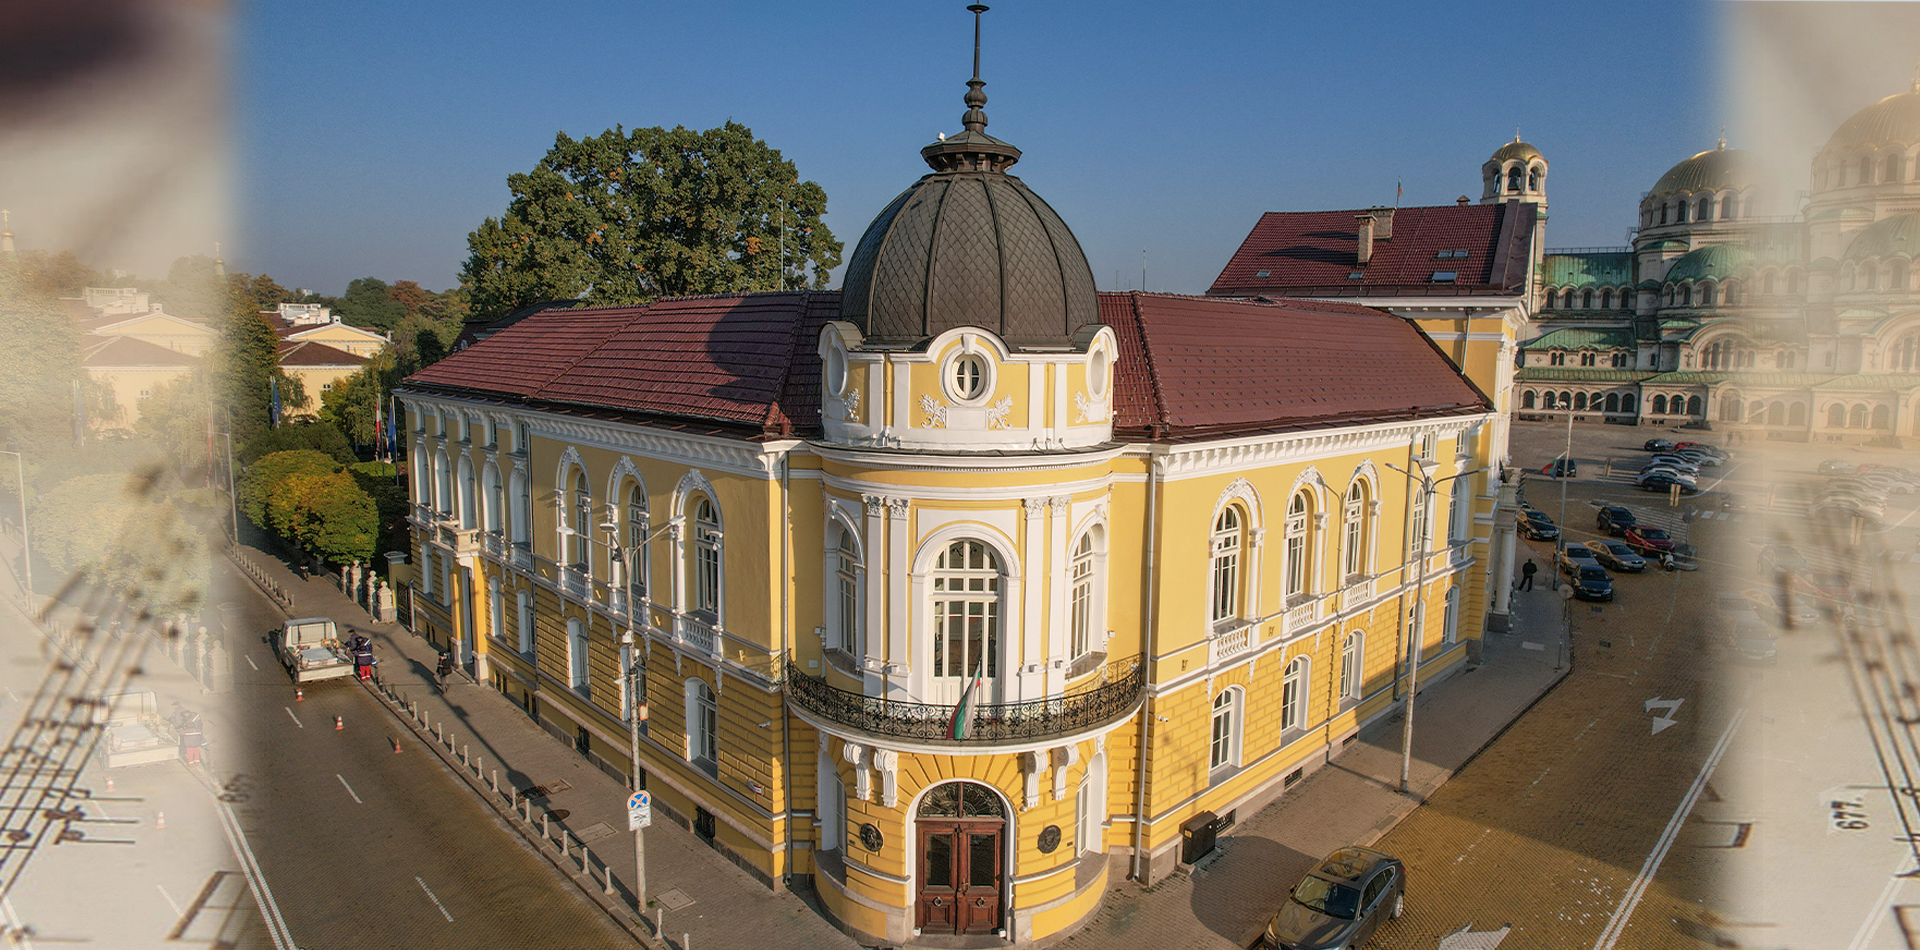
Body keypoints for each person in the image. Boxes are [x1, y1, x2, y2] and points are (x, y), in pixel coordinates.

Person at [173, 702, 204, 767]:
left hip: (189, 746)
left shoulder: (186, 732)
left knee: (190, 754)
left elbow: (180, 732)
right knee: (196, 753)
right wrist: (204, 745)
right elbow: (201, 737)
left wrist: (177, 729)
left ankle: (190, 763)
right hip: (196, 745)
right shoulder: (198, 731)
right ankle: (197, 762)